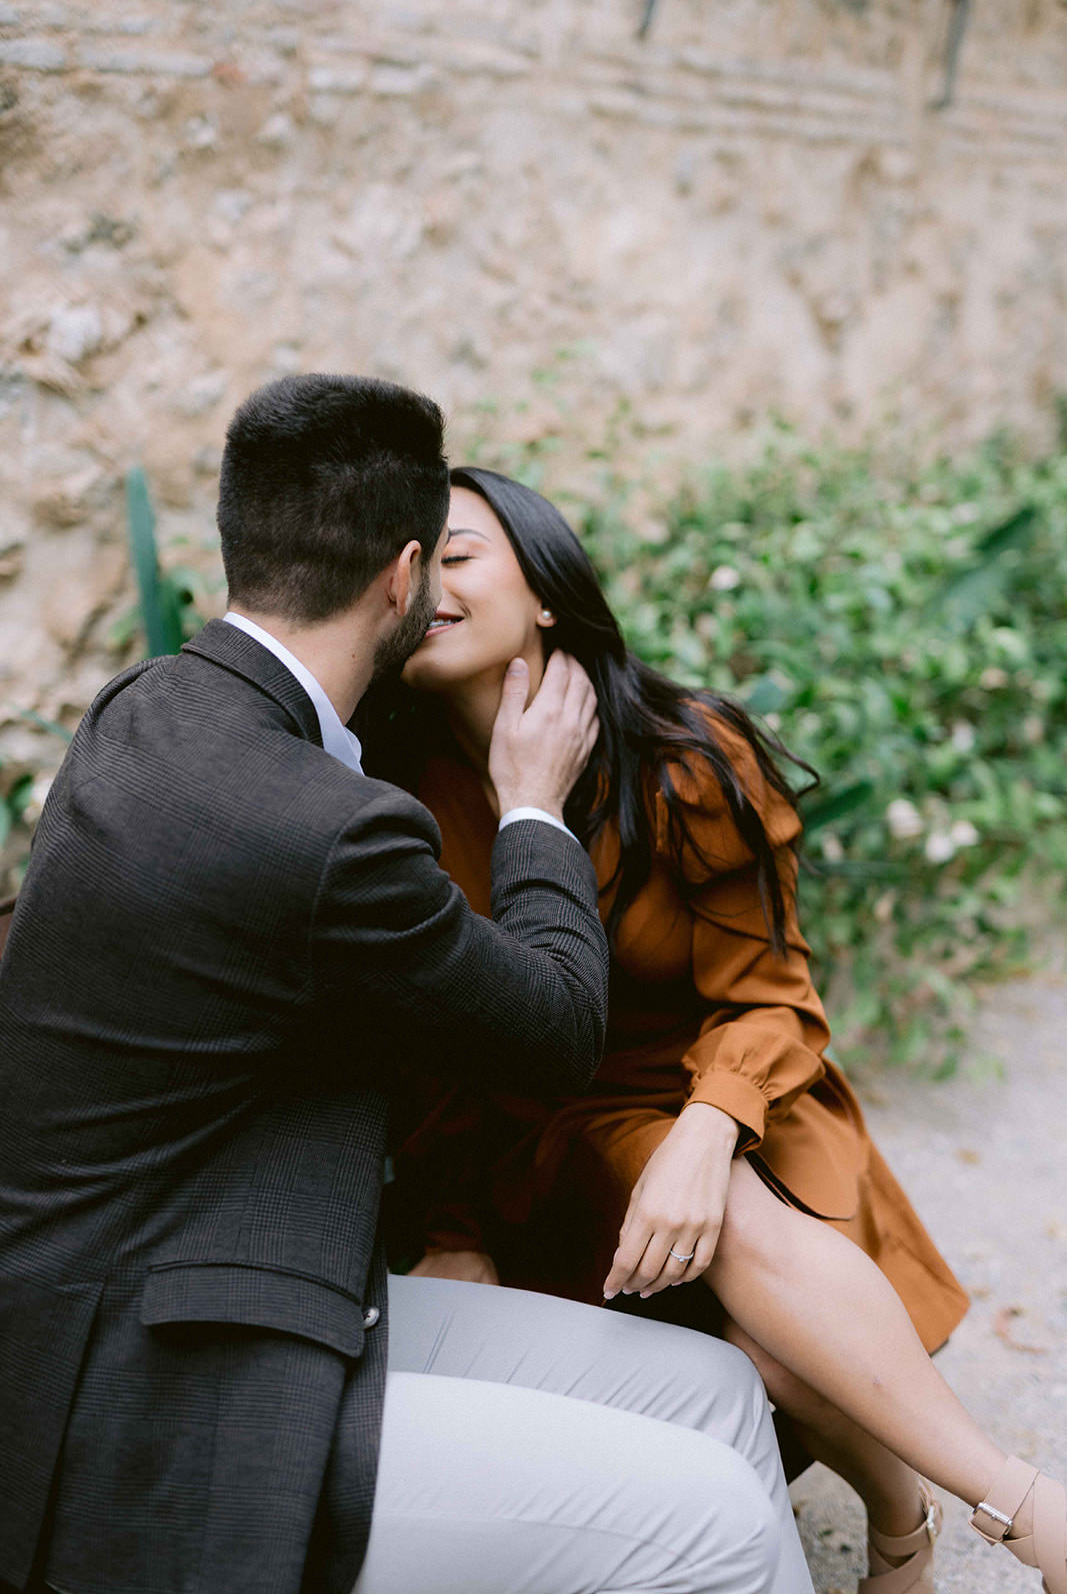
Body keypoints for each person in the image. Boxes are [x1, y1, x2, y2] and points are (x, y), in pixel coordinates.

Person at [0, 374, 813, 1594]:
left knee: (712, 1392)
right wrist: (532, 802)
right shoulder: (324, 825)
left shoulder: (147, 705)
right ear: (402, 575)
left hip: (221, 1261)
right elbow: (551, 1029)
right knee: (714, 1520)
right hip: (162, 1389)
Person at [367, 465, 1067, 1594]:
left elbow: (770, 989)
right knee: (741, 1343)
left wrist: (705, 1126)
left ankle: (978, 1510)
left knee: (753, 1294)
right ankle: (960, 1514)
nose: (428, 584)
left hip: (720, 1088)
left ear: (545, 588)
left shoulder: (681, 757)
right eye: (408, 567)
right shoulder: (391, 797)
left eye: (457, 553)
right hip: (531, 1142)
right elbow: (431, 1056)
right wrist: (452, 1224)